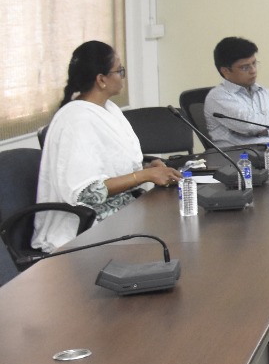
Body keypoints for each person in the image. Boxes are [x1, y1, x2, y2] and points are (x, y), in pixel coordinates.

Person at [33, 41, 181, 253]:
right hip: (85, 227)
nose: (123, 76)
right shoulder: (76, 120)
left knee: (178, 224)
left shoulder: (108, 109)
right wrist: (144, 176)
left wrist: (148, 170)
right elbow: (86, 194)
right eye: (119, 71)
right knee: (171, 239)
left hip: (123, 209)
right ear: (101, 79)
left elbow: (113, 168)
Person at [204, 36, 269, 147]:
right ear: (226, 71)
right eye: (245, 67)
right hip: (238, 154)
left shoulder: (264, 92)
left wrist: (266, 132)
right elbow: (248, 126)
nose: (253, 71)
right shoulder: (218, 97)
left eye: (254, 63)